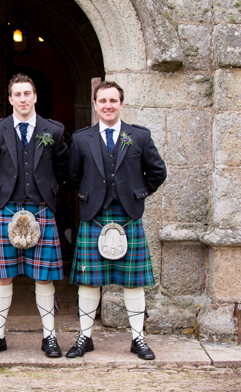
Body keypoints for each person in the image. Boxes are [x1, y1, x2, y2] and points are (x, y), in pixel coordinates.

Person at [66, 81, 166, 360]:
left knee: (133, 282)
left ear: (121, 104)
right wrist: (89, 194)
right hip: (94, 215)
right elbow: (74, 176)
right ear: (95, 105)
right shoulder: (81, 138)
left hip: (128, 215)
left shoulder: (139, 136)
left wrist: (139, 193)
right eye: (102, 101)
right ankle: (85, 337)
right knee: (89, 281)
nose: (108, 106)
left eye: (113, 101)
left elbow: (157, 171)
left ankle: (138, 339)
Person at [0, 73, 68, 358]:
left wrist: (52, 188)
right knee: (3, 276)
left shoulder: (53, 130)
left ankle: (50, 337)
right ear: (10, 99)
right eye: (17, 94)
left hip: (42, 208)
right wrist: (0, 190)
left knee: (44, 277)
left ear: (35, 97)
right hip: (8, 208)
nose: (22, 99)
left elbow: (64, 167)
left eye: (27, 93)